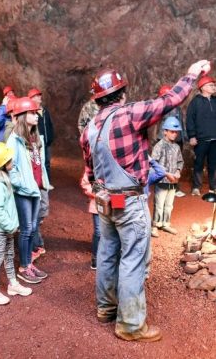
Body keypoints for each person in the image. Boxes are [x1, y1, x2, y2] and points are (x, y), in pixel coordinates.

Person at [81, 60, 209, 342]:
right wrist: (190, 75)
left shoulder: (90, 127)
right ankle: (130, 325)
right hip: (129, 201)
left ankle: (106, 308)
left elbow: (89, 169)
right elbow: (169, 100)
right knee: (133, 259)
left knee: (107, 253)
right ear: (122, 93)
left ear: (98, 98)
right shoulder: (128, 114)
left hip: (104, 200)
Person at [6, 97, 49, 284]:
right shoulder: (14, 139)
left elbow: (40, 165)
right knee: (26, 230)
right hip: (24, 191)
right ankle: (23, 267)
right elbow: (10, 166)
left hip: (35, 189)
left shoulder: (36, 138)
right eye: (32, 113)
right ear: (23, 116)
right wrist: (20, 185)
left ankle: (29, 264)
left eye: (35, 112)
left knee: (32, 229)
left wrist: (42, 183)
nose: (36, 115)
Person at [0, 143, 32, 305]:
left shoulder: (4, 180)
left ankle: (13, 284)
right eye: (9, 160)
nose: (13, 162)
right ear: (2, 164)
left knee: (9, 256)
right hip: (0, 230)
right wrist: (10, 226)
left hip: (7, 228)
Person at [151, 116, 184, 237]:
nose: (174, 134)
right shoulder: (159, 146)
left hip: (173, 182)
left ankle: (166, 223)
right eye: (172, 131)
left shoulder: (176, 147)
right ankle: (155, 225)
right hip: (161, 181)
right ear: (165, 131)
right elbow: (153, 163)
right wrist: (165, 174)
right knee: (159, 204)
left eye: (176, 132)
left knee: (169, 204)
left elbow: (180, 161)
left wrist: (178, 171)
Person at [186, 75, 216, 195]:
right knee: (198, 163)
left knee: (213, 164)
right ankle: (196, 188)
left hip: (215, 138)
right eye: (211, 85)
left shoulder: (215, 100)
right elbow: (190, 120)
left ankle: (213, 187)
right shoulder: (195, 102)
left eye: (214, 85)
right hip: (201, 139)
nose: (214, 87)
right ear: (203, 87)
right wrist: (192, 136)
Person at [156, 85, 187, 197]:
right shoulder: (162, 108)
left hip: (177, 139)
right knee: (165, 164)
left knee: (176, 163)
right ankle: (165, 187)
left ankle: (174, 187)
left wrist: (184, 137)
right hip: (165, 139)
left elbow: (181, 124)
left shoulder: (177, 107)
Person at [28, 88, 55, 189]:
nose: (40, 97)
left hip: (47, 141)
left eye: (39, 95)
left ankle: (46, 182)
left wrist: (51, 137)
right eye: (37, 95)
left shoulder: (44, 111)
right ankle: (38, 182)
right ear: (32, 98)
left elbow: (49, 124)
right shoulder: (31, 113)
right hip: (37, 141)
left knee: (47, 162)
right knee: (38, 162)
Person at [79, 171, 100, 270]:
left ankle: (113, 257)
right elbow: (85, 183)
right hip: (98, 203)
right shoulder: (94, 164)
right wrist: (99, 194)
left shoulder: (119, 162)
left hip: (116, 203)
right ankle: (95, 258)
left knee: (116, 231)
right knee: (99, 231)